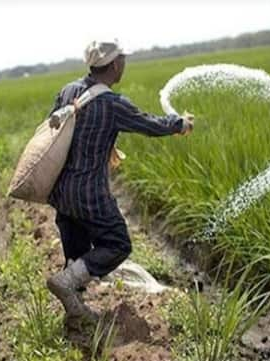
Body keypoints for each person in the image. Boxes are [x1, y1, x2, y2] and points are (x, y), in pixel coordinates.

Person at [46, 39, 194, 321]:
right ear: (115, 64)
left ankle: (74, 314)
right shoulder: (112, 103)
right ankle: (65, 284)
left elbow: (59, 131)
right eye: (123, 59)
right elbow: (149, 124)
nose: (124, 63)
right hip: (89, 192)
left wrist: (105, 144)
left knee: (77, 254)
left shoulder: (68, 91)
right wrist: (180, 124)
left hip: (62, 191)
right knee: (117, 244)